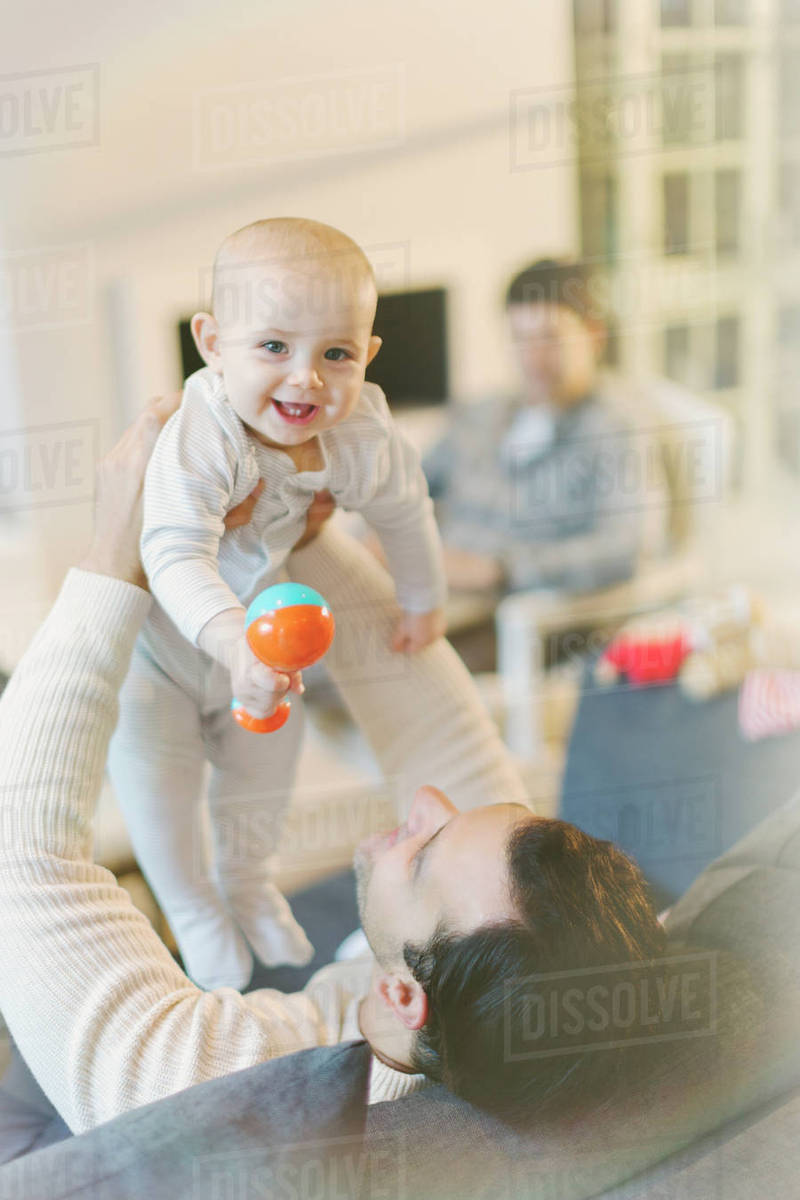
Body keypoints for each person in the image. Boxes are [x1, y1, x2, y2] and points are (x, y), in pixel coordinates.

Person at [0, 396, 665, 1136]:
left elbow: (19, 849)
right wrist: (298, 527)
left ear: (406, 998)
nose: (429, 801)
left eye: (423, 853)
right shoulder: (482, 1005)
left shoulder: (214, 1092)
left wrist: (112, 557)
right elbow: (443, 733)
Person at [108, 217, 449, 992]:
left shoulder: (360, 432)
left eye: (336, 353)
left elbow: (405, 511)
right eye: (273, 348)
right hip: (161, 655)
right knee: (160, 799)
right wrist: (232, 643)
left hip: (262, 654)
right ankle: (192, 908)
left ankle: (251, 883)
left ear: (367, 355)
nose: (306, 379)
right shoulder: (206, 431)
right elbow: (171, 553)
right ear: (211, 342)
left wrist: (422, 598)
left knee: (263, 779)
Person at [425, 258, 666, 606]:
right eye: (520, 339)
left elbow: (626, 546)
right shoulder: (484, 412)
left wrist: (499, 569)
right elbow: (409, 481)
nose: (533, 359)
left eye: (550, 339)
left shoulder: (617, 427)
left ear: (594, 335)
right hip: (424, 579)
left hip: (498, 611)